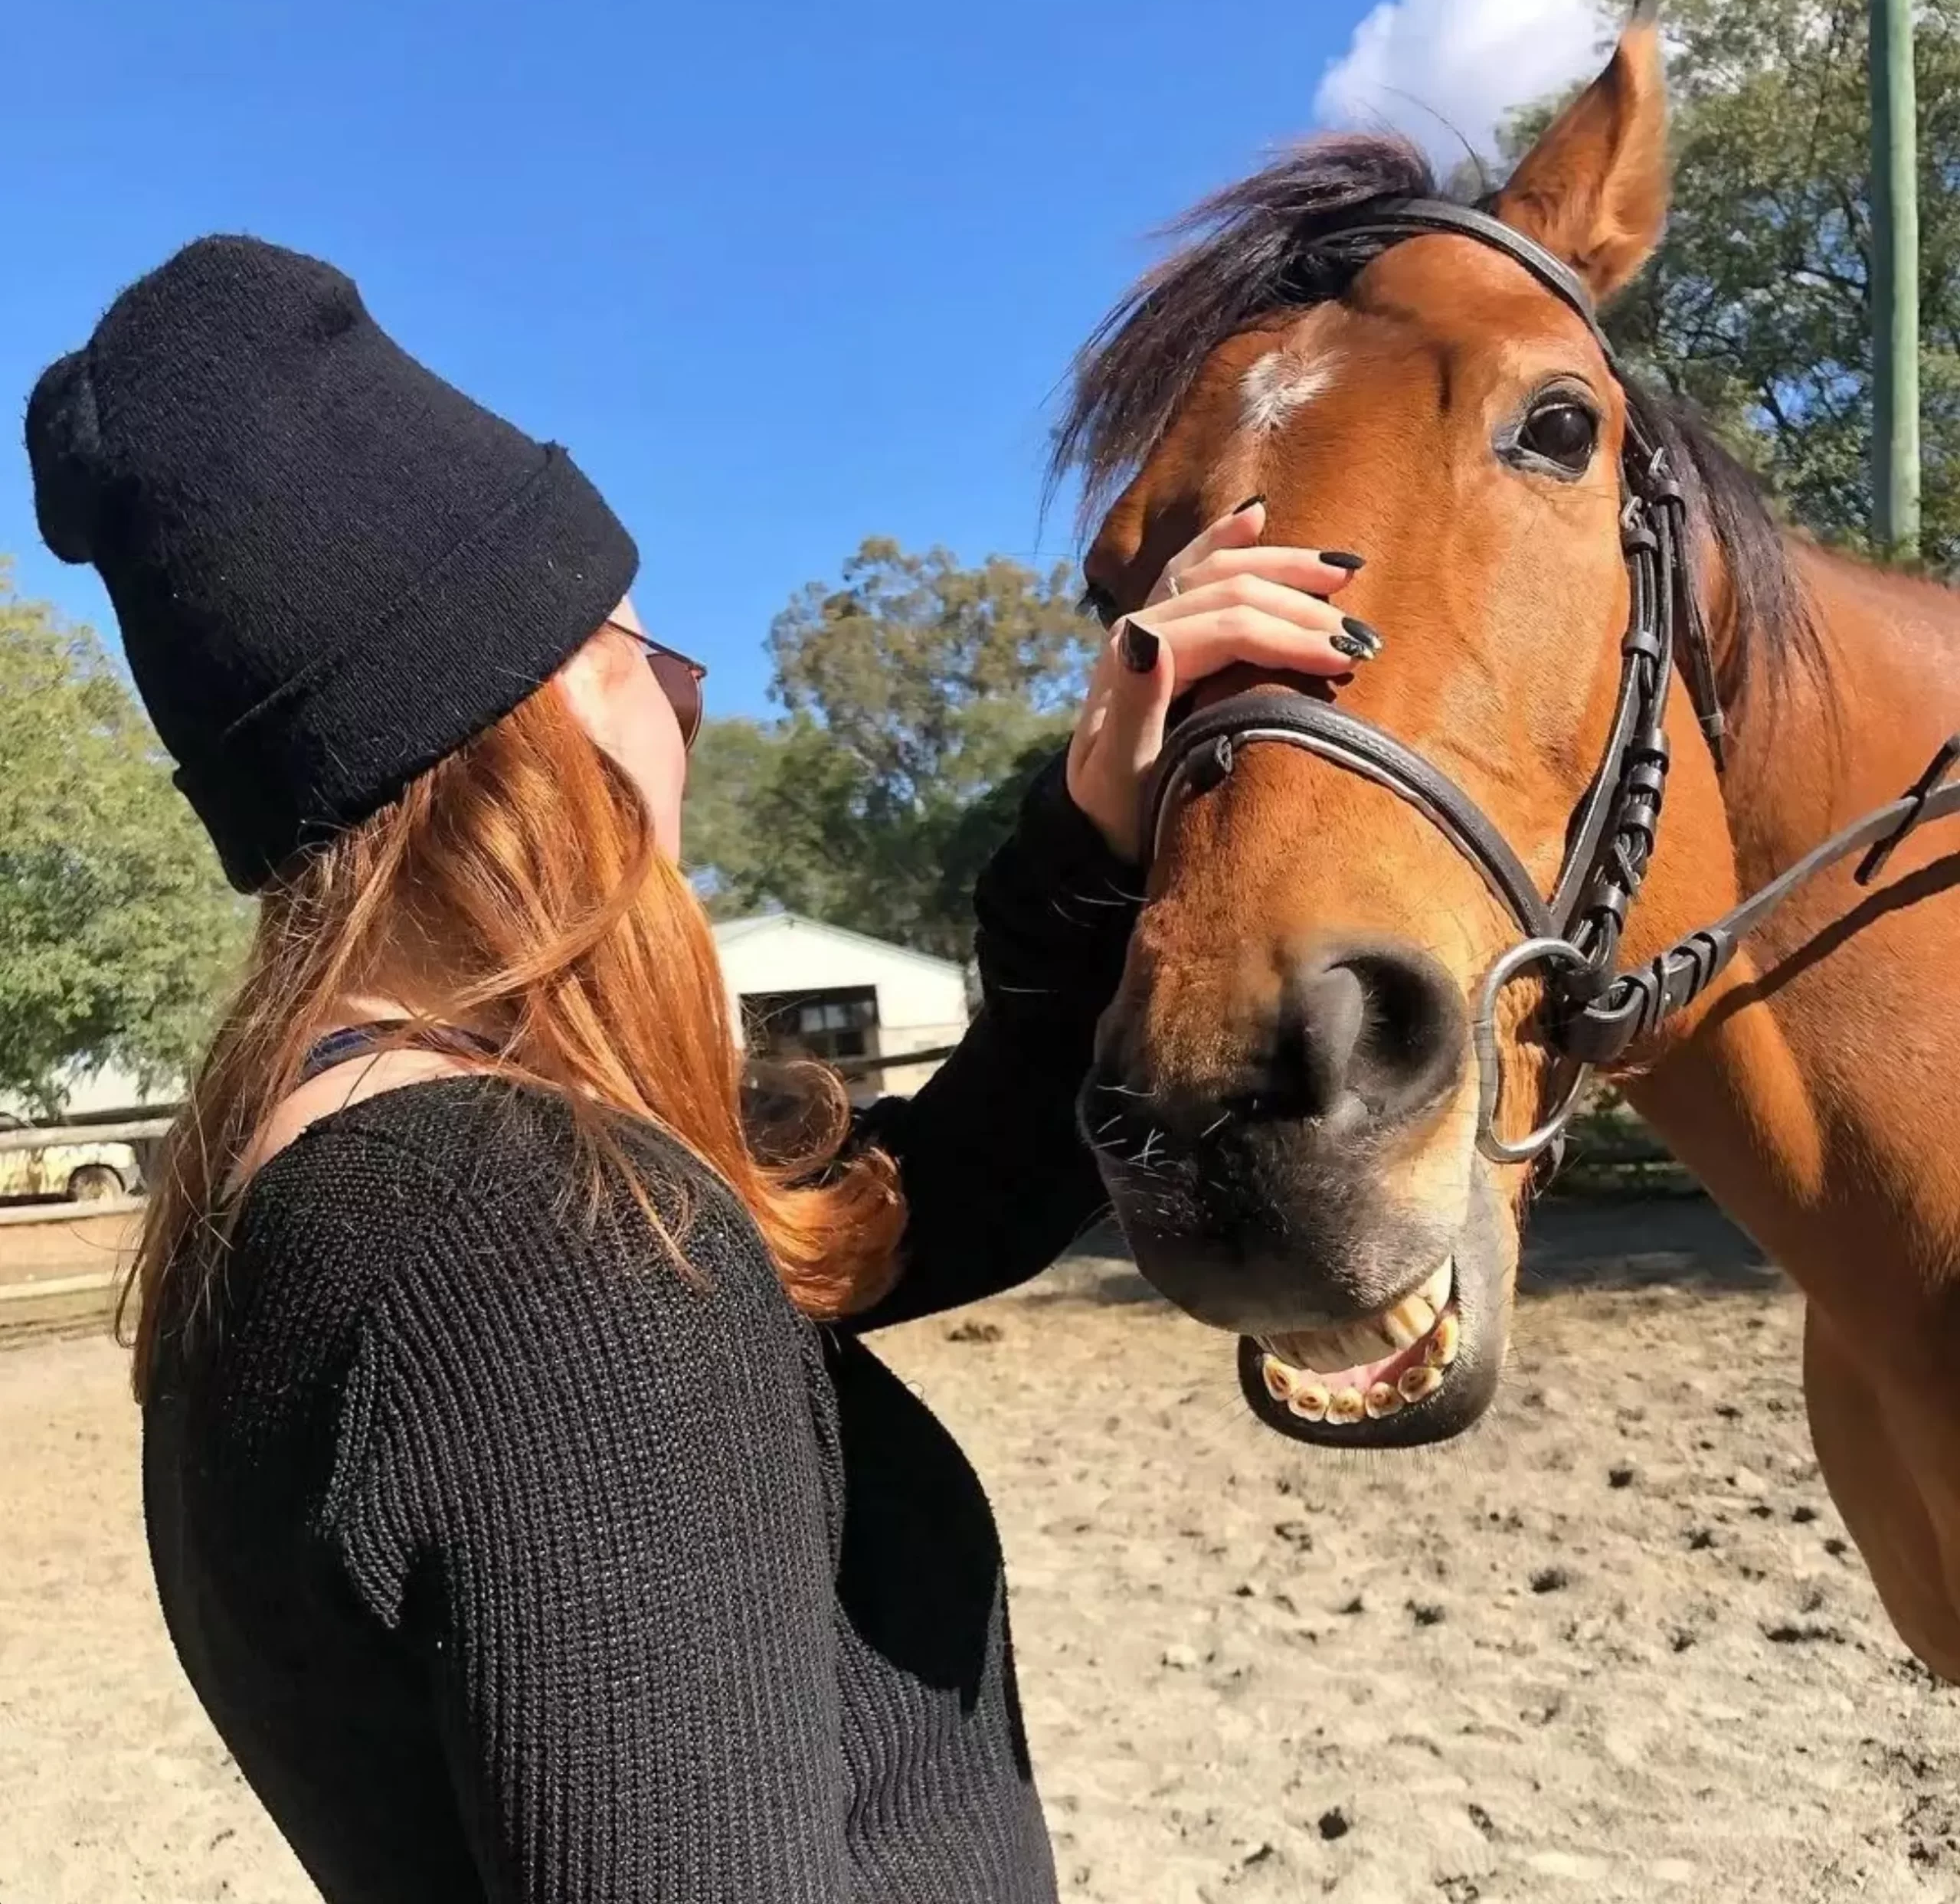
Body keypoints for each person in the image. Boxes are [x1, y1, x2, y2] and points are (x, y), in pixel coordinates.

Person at [24, 235, 1373, 1903]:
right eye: (660, 673)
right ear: (558, 733)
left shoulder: (316, 1187)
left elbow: (900, 1211)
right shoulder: (541, 1255)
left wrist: (1089, 835)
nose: (682, 718)